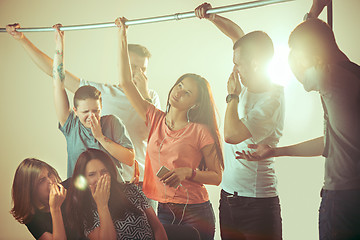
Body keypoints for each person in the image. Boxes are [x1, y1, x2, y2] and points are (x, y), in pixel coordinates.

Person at [236, 0, 360, 239]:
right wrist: (276, 151)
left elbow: (302, 76)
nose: (298, 61)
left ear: (313, 53)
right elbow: (330, 143)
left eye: (300, 55)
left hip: (341, 202)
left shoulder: (327, 75)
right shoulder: (354, 74)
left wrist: (313, 12)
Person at [6, 23, 161, 185]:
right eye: (134, 67)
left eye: (144, 69)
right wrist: (22, 39)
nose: (139, 73)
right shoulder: (100, 93)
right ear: (122, 65)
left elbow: (157, 137)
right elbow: (57, 76)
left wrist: (144, 94)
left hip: (142, 179)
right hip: (106, 184)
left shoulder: (150, 97)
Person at [115, 17, 224, 240]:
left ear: (195, 103)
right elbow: (126, 83)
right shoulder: (154, 117)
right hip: (163, 210)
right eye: (180, 85)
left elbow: (217, 176)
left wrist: (188, 173)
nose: (179, 92)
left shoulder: (200, 131)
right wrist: (122, 36)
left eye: (187, 93)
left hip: (195, 212)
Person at [195, 3, 285, 240]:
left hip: (257, 204)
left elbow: (232, 134)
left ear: (255, 63)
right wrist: (211, 17)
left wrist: (232, 97)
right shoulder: (248, 78)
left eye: (238, 63)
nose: (234, 68)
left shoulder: (271, 100)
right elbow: (238, 35)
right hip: (229, 198)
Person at [51, 24, 134, 180]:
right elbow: (58, 83)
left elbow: (129, 159)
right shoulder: (71, 126)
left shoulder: (112, 123)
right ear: (75, 111)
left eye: (95, 110)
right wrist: (59, 45)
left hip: (114, 196)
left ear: (101, 107)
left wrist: (101, 137)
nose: (92, 116)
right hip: (81, 197)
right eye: (85, 112)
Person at [66, 148, 168, 240]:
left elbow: (157, 228)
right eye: (92, 174)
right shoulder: (84, 209)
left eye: (104, 171)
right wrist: (102, 205)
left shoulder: (131, 190)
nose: (100, 178)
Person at [11, 158, 67, 240]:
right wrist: (55, 209)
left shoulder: (70, 188)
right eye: (42, 180)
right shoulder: (32, 219)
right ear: (30, 190)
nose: (51, 182)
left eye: (49, 174)